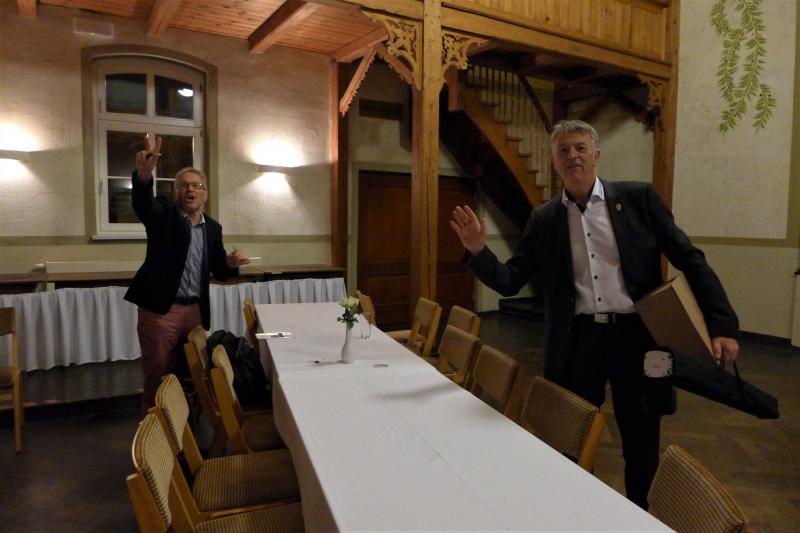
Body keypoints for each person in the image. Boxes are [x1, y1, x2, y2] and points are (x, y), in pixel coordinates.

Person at [449, 119, 739, 509]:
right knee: (569, 437)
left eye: (580, 147)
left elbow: (691, 259)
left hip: (639, 338)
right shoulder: (544, 219)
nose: (572, 155)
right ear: (554, 162)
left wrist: (722, 325)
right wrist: (478, 251)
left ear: (596, 155)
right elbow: (510, 280)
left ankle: (639, 516)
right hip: (578, 341)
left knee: (641, 439)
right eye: (563, 150)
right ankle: (573, 510)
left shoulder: (638, 199)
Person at [125, 135, 248, 410]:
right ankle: (156, 435)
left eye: (197, 186)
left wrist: (230, 264)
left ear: (205, 194)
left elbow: (219, 272)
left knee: (189, 378)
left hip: (194, 312)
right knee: (158, 379)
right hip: (161, 311)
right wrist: (143, 176)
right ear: (175, 192)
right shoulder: (164, 214)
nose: (190, 190)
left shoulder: (212, 228)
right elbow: (144, 205)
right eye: (184, 185)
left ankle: (185, 430)